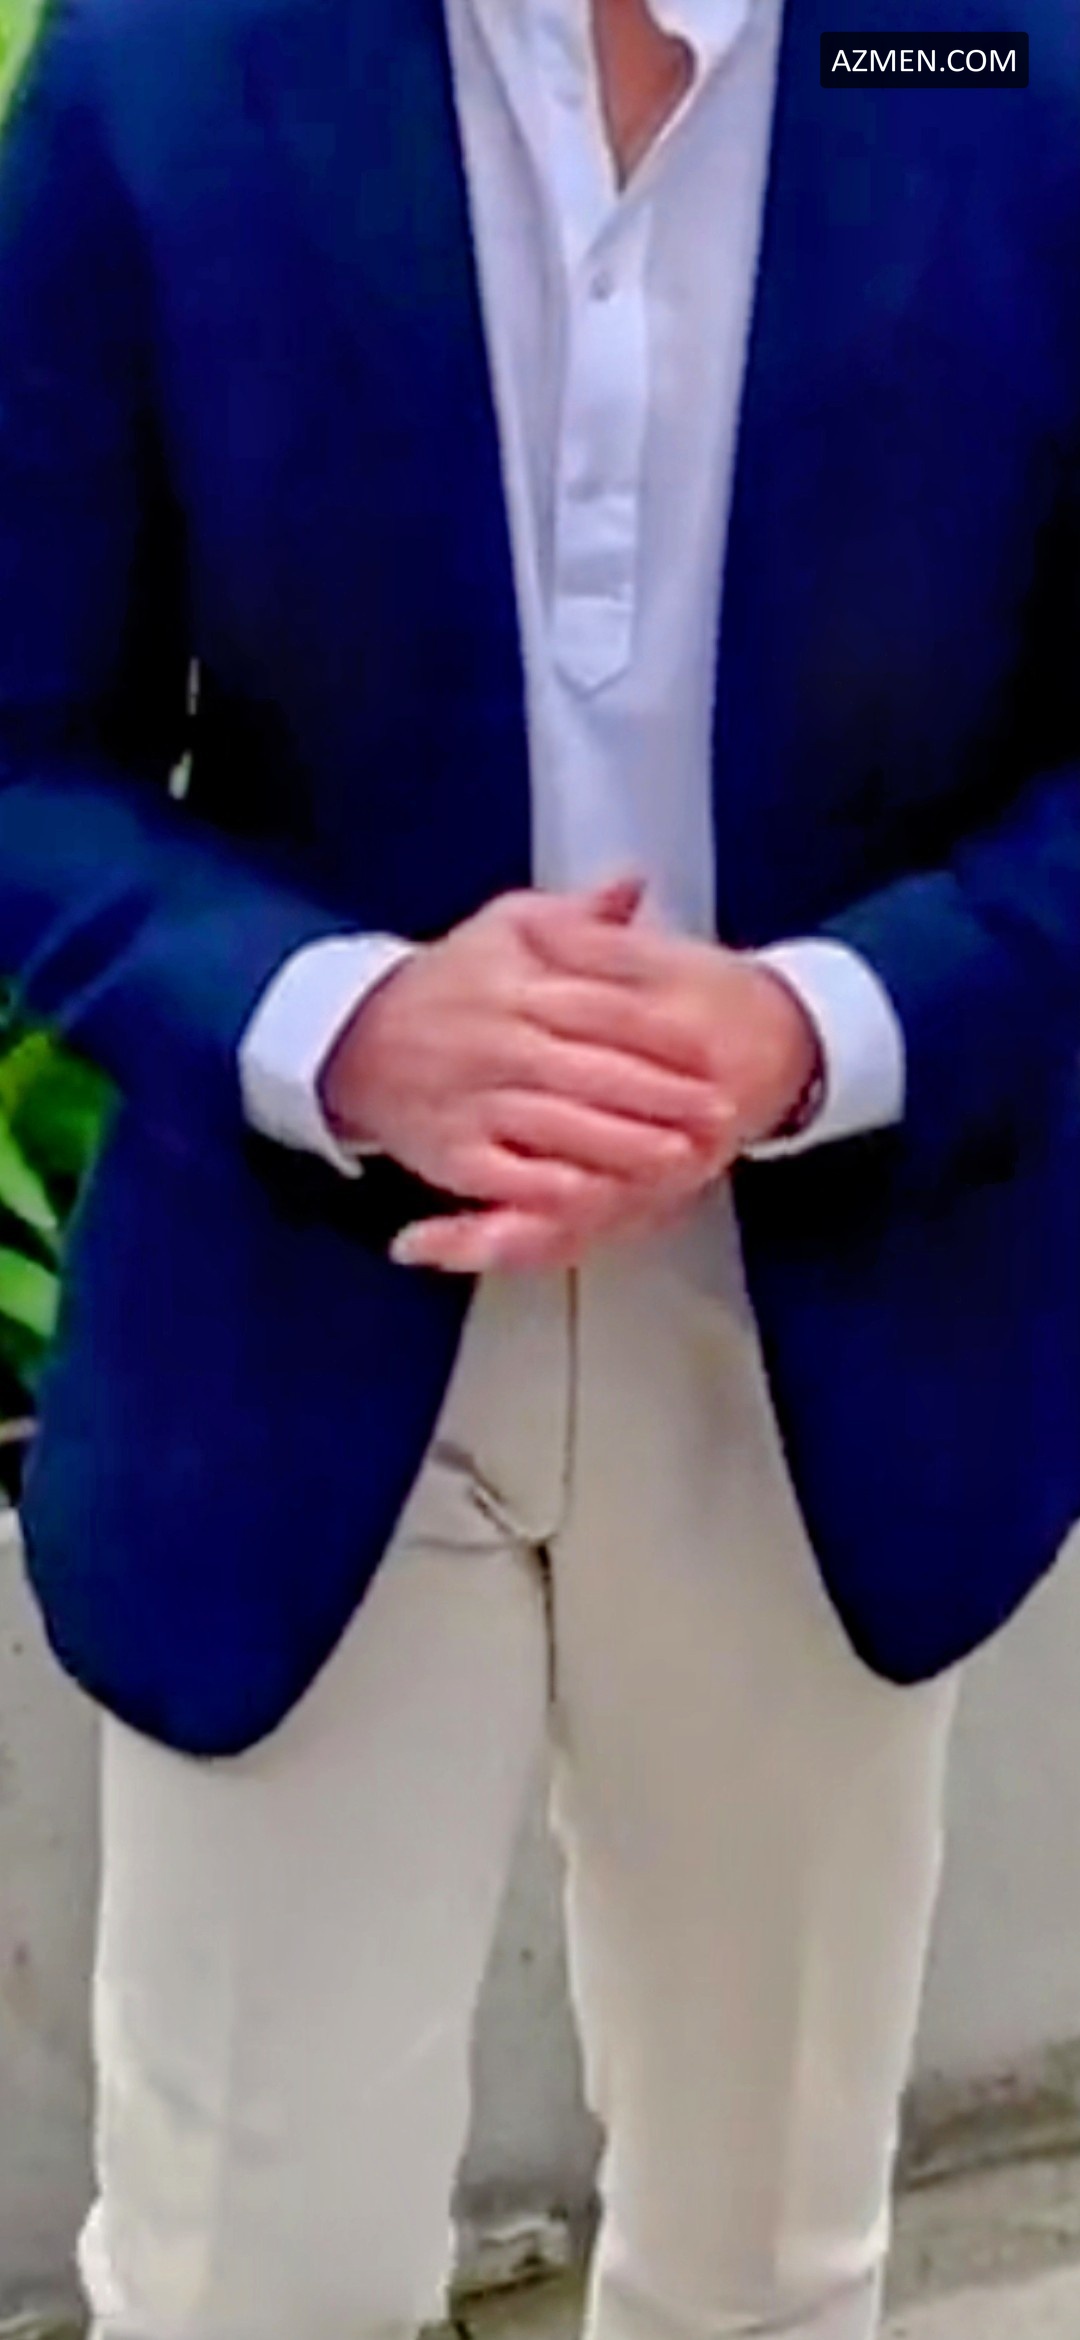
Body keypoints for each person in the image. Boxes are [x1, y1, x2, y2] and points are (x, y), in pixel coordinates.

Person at [0, 0, 1078, 2334]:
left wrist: (823, 1018)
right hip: (299, 1301)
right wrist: (339, 1021)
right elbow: (22, 751)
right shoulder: (164, 60)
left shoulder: (1012, 57)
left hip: (828, 1317)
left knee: (771, 2267)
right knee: (242, 2285)